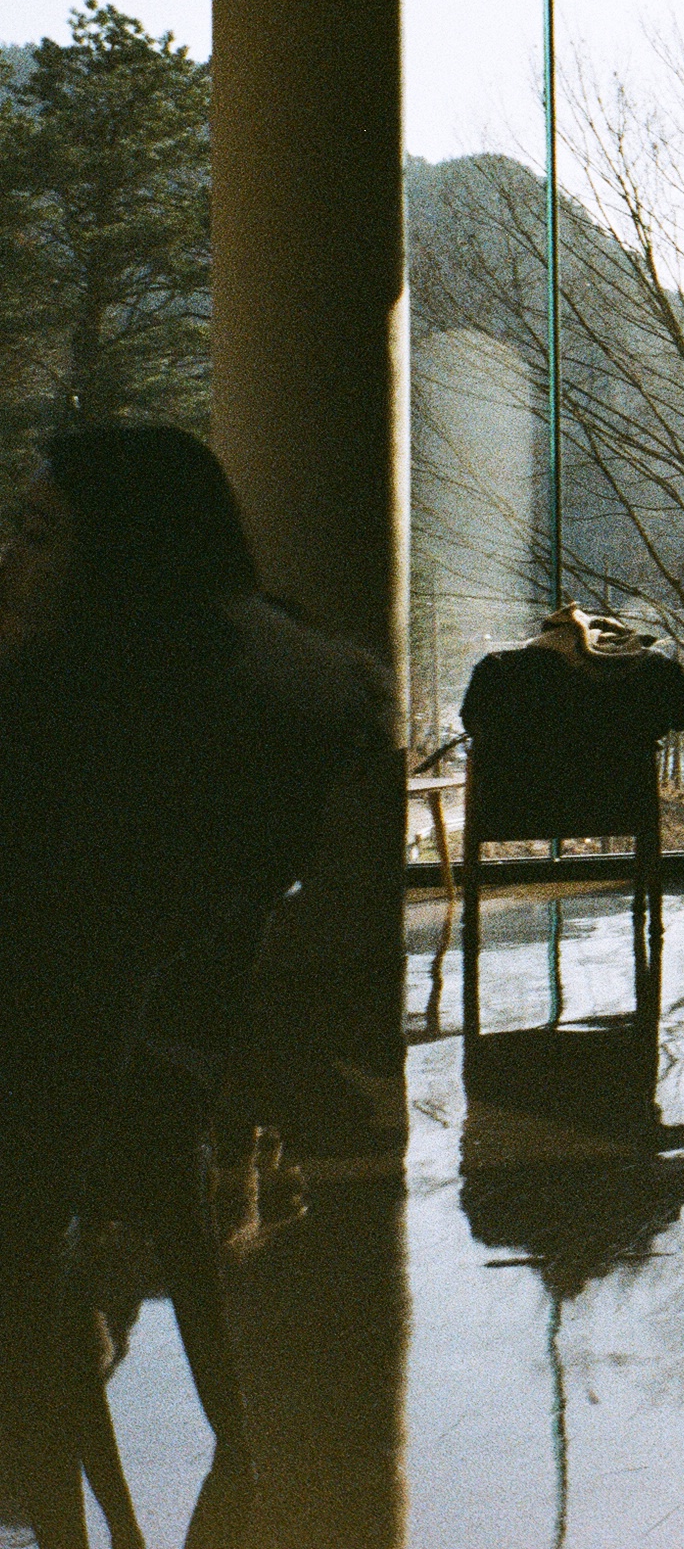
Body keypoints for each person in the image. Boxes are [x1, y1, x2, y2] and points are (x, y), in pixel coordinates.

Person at [0, 425, 393, 1549]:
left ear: (121, 565)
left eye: (37, 534)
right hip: (147, 1072)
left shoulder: (69, 727)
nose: (9, 558)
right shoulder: (245, 705)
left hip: (43, 1091)